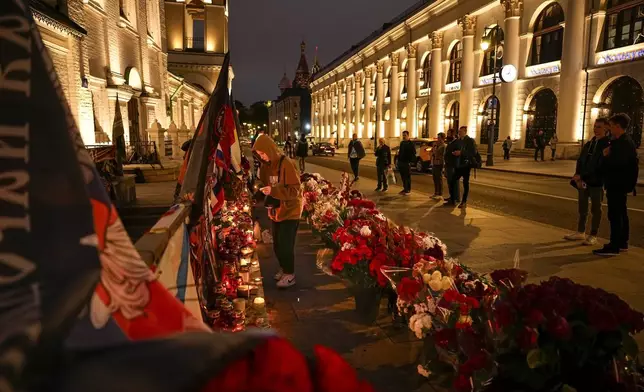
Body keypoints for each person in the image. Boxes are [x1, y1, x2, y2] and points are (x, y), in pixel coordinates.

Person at [252, 134, 303, 288]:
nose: (262, 157)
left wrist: (272, 191)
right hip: (276, 211)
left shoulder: (286, 163)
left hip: (290, 211)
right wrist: (259, 192)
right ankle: (284, 268)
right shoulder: (266, 166)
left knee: (286, 245)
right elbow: (265, 183)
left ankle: (290, 274)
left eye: (263, 153)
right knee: (277, 245)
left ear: (270, 150)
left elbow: (295, 190)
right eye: (259, 154)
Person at [594, 113, 639, 256]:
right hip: (620, 184)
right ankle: (622, 242)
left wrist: (606, 156)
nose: (610, 129)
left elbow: (617, 165)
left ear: (618, 126)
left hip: (617, 184)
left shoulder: (623, 144)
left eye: (612, 126)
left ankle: (614, 245)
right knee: (621, 213)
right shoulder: (623, 142)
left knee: (615, 214)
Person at [565, 118, 610, 246]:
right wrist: (577, 174)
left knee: (596, 209)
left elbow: (599, 164)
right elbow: (581, 160)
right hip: (583, 181)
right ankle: (580, 232)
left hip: (596, 182)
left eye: (599, 127)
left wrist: (582, 175)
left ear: (606, 129)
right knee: (582, 207)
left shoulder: (606, 145)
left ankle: (593, 234)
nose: (596, 129)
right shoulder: (589, 143)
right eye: (595, 126)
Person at [448, 126, 478, 209]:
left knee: (465, 183)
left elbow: (473, 152)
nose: (459, 133)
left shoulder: (470, 140)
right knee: (452, 181)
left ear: (465, 132)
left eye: (460, 131)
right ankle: (453, 198)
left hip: (466, 165)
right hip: (458, 164)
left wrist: (461, 152)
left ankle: (463, 201)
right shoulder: (458, 141)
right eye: (459, 131)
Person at [444, 130, 461, 206]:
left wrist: (455, 153)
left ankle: (454, 199)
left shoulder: (457, 143)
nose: (447, 136)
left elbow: (459, 153)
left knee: (453, 183)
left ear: (453, 135)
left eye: (448, 134)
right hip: (449, 165)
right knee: (450, 183)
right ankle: (452, 197)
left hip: (453, 166)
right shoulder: (450, 143)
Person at [397, 130, 416, 195]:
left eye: (405, 135)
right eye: (403, 135)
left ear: (408, 135)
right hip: (401, 162)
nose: (404, 137)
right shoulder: (402, 143)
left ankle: (408, 189)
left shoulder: (411, 143)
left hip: (407, 162)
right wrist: (398, 160)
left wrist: (411, 162)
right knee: (403, 176)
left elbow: (413, 153)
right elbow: (400, 152)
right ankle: (405, 188)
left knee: (407, 176)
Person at [431, 132, 446, 200]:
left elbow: (443, 155)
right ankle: (436, 192)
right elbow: (433, 153)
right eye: (437, 138)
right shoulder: (437, 145)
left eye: (439, 138)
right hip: (435, 163)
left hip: (440, 163)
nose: (438, 139)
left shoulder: (444, 146)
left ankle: (440, 193)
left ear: (442, 138)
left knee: (439, 178)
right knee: (435, 178)